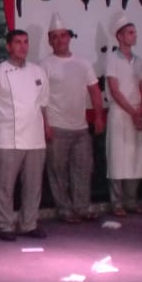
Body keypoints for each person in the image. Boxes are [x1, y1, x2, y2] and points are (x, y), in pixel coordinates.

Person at [0, 29, 50, 241]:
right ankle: (4, 225)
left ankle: (29, 224)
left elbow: (43, 104)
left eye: (25, 42)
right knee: (4, 185)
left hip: (35, 138)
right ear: (8, 46)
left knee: (33, 185)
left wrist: (45, 126)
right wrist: (1, 120)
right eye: (17, 42)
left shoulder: (38, 72)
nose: (22, 46)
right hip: (8, 138)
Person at [40, 12, 105, 223]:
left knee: (83, 170)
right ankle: (64, 210)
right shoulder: (44, 65)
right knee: (57, 172)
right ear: (50, 41)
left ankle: (82, 208)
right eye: (55, 37)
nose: (60, 40)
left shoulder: (83, 63)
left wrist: (99, 117)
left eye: (63, 35)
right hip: (56, 127)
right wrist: (45, 125)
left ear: (69, 37)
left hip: (81, 128)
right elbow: (40, 99)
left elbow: (95, 91)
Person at [105, 13, 142, 217]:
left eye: (134, 32)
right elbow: (114, 90)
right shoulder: (112, 59)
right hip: (120, 113)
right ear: (120, 36)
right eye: (130, 33)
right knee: (117, 158)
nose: (134, 36)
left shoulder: (139, 61)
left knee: (136, 158)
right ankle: (117, 203)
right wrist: (133, 112)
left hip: (136, 113)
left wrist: (140, 110)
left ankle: (132, 201)